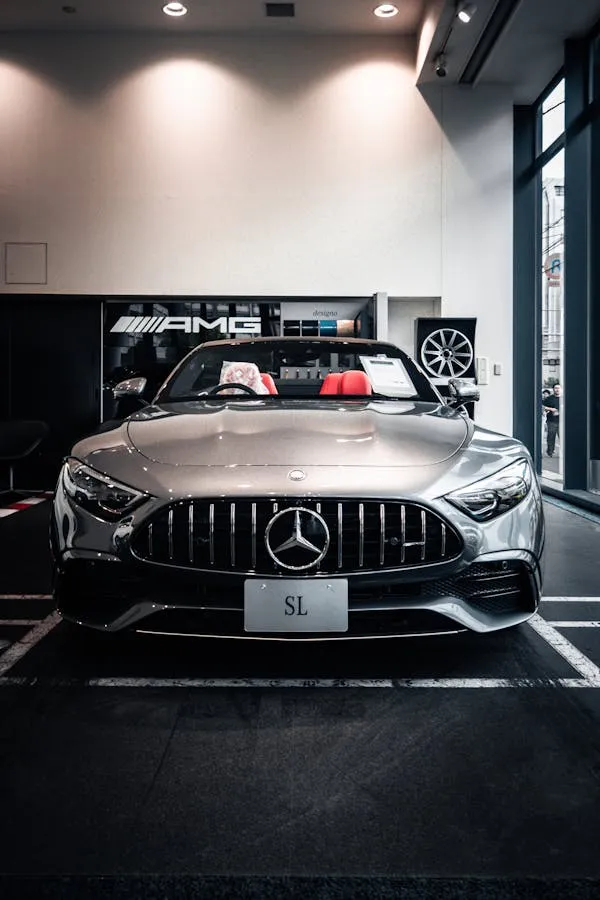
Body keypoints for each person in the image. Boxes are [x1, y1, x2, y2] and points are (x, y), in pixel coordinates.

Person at [543, 383, 561, 457]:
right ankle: (550, 452)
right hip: (551, 421)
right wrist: (551, 409)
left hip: (562, 422)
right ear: (553, 389)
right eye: (556, 388)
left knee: (563, 438)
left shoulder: (564, 398)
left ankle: (564, 452)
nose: (557, 389)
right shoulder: (549, 398)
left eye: (558, 388)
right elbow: (542, 406)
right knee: (551, 437)